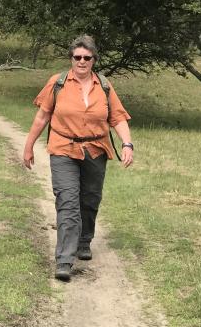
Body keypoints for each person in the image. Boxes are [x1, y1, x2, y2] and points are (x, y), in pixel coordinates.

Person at [22, 35, 133, 282]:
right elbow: (42, 117)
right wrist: (29, 146)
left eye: (87, 57)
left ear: (94, 60)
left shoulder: (104, 86)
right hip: (63, 148)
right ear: (71, 58)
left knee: (90, 198)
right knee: (67, 200)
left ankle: (84, 240)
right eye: (77, 57)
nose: (81, 61)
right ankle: (64, 259)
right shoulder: (58, 83)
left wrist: (127, 144)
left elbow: (117, 118)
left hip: (95, 148)